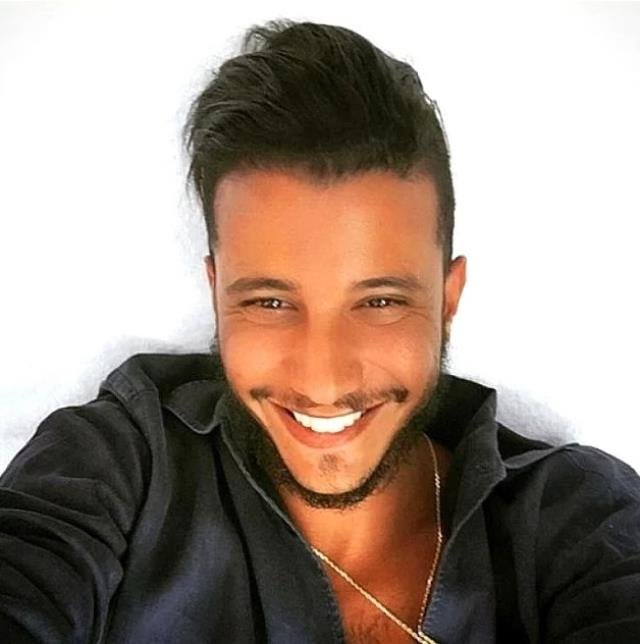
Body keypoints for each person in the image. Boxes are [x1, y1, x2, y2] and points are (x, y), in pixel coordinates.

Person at [1, 18, 639, 644]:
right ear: (216, 294)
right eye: (270, 302)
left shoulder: (578, 516)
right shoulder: (117, 464)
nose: (323, 381)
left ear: (448, 299)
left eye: (380, 301)